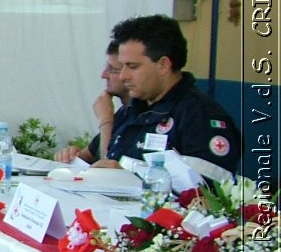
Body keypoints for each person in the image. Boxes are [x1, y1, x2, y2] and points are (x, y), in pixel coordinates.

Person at [95, 14, 241, 180]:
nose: (123, 76)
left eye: (132, 66)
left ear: (163, 65)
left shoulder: (200, 117)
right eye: (121, 67)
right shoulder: (130, 111)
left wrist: (129, 179)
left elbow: (205, 193)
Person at [54, 41, 132, 164]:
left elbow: (107, 165)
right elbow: (85, 156)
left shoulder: (143, 115)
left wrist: (105, 121)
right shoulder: (125, 113)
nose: (104, 75)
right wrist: (70, 155)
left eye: (112, 69)